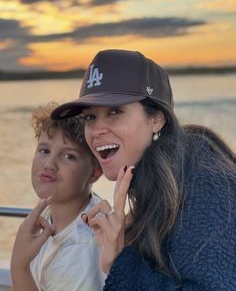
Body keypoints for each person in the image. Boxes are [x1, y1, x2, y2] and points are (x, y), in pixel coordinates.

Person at [52, 49, 236, 291]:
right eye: (89, 118)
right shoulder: (163, 181)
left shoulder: (202, 183)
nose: (97, 130)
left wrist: (120, 262)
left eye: (115, 112)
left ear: (157, 118)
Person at [10, 102, 105, 291]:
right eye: (44, 151)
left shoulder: (84, 245)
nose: (49, 165)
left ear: (95, 172)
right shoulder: (46, 216)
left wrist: (19, 266)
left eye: (68, 156)